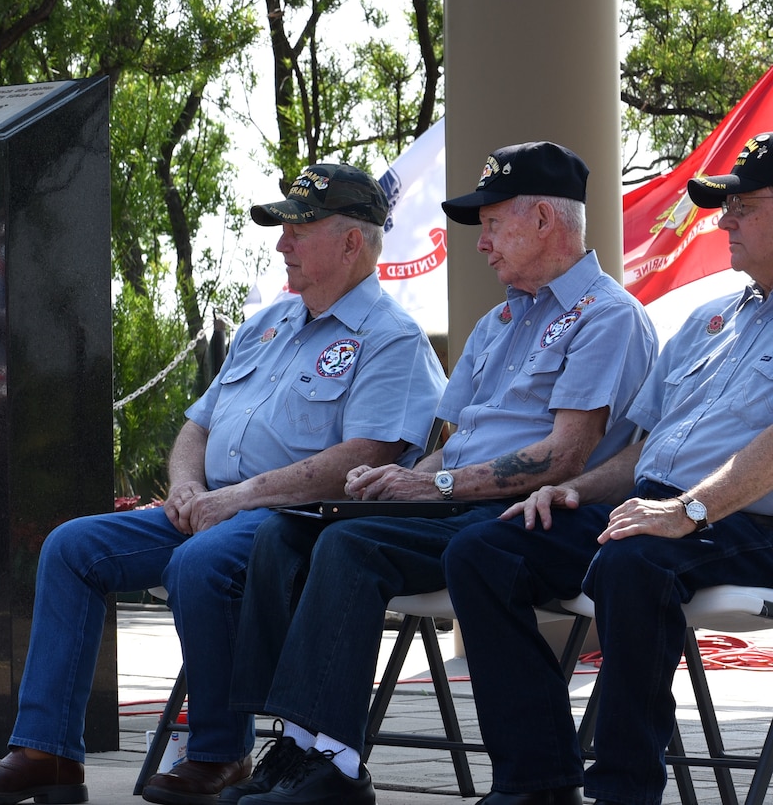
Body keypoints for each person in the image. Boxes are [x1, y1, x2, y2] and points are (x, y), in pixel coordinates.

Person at [0, 165, 445, 805]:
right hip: (213, 506)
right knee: (71, 547)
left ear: (352, 242)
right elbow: (197, 426)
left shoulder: (390, 339)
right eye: (283, 229)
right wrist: (184, 487)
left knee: (201, 563)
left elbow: (364, 457)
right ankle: (47, 754)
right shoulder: (267, 324)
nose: (281, 244)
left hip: (300, 521)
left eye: (299, 228)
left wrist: (238, 497)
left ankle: (221, 753)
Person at [227, 142, 656, 805]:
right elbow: (450, 447)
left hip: (536, 511)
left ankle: (333, 763)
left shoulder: (606, 314)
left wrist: (432, 486)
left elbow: (565, 455)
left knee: (355, 546)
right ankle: (291, 741)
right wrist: (397, 481)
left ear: (543, 218)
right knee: (292, 530)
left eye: (491, 222)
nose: (481, 243)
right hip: (460, 504)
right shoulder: (496, 322)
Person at [448, 134, 773, 805]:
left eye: (742, 205)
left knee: (635, 562)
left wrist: (685, 511)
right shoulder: (712, 318)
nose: (724, 220)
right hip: (660, 513)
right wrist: (570, 489)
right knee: (484, 548)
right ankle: (536, 779)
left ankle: (624, 789)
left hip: (749, 519)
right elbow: (641, 456)